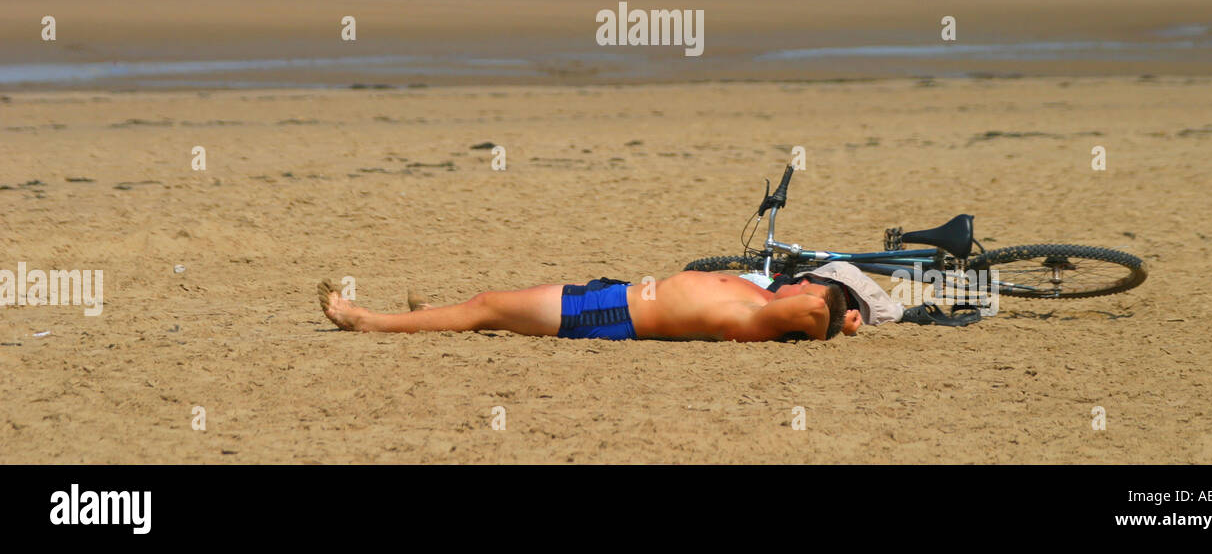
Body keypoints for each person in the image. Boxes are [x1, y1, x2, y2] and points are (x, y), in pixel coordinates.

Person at [316, 263, 884, 341]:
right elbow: (810, 307)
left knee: (489, 305)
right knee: (490, 305)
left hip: (611, 316)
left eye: (807, 281)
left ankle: (369, 322)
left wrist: (840, 318)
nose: (797, 281)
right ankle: (430, 315)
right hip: (611, 298)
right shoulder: (761, 295)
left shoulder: (772, 313)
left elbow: (813, 315)